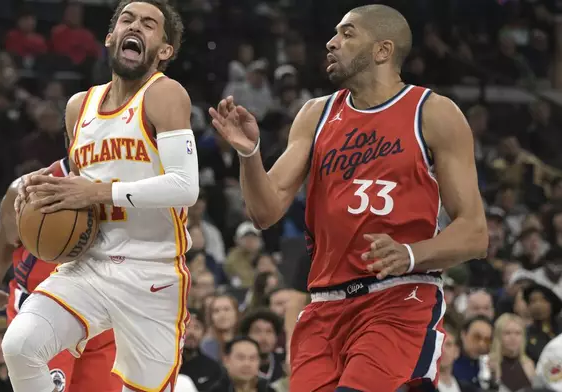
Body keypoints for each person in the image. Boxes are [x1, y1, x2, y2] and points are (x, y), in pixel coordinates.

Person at [209, 4, 487, 391]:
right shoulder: (315, 114)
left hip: (398, 298)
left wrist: (409, 254)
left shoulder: (433, 113)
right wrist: (249, 155)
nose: (331, 42)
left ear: (382, 50)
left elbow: (475, 234)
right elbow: (265, 212)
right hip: (324, 305)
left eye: (347, 33)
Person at [3, 1, 198, 391]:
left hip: (152, 272)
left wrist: (96, 191)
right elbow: (80, 183)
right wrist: (44, 189)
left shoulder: (165, 94)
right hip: (90, 263)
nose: (135, 26)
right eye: (127, 19)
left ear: (164, 50)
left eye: (149, 24)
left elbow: (184, 186)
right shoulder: (79, 107)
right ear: (110, 36)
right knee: (20, 345)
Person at [0, 158, 120, 392]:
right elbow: (5, 240)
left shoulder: (122, 183)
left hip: (101, 309)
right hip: (44, 309)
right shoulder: (30, 188)